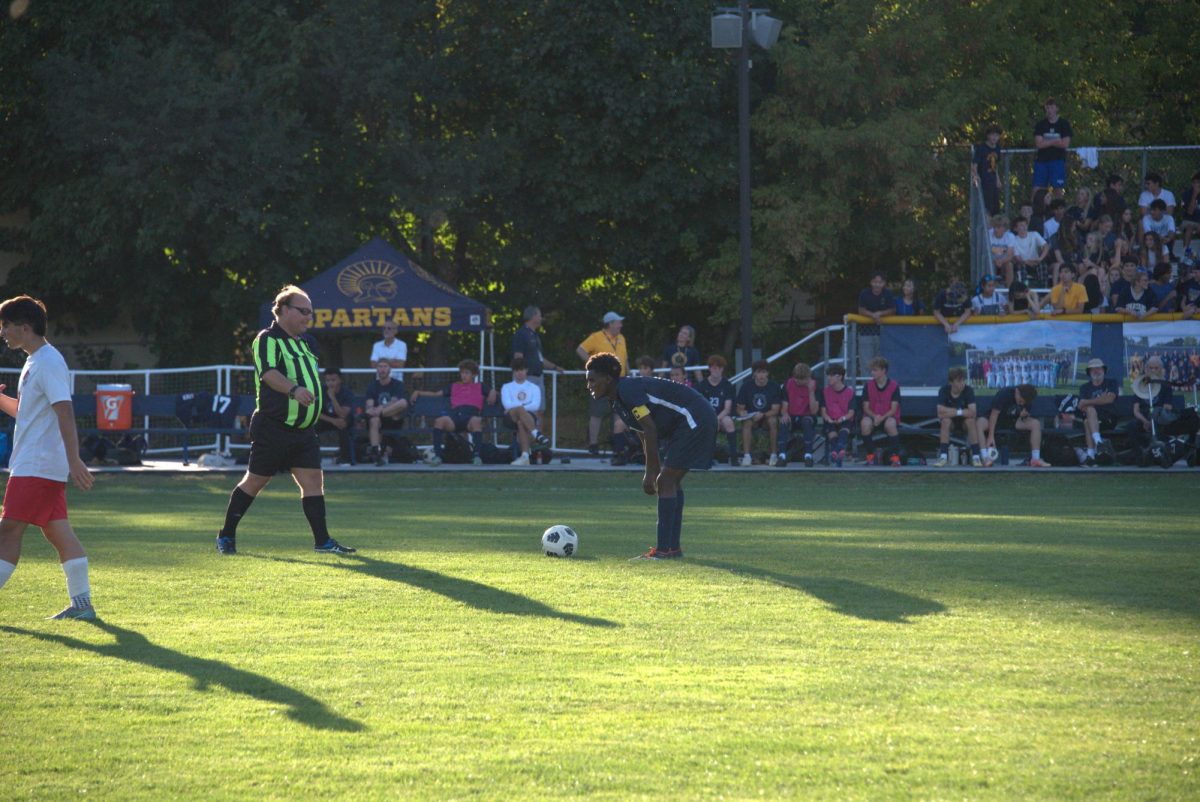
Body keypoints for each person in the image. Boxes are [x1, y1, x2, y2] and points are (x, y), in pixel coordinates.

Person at [216, 285, 356, 556]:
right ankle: (226, 535)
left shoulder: (307, 342)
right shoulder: (267, 339)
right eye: (303, 311)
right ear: (284, 310)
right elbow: (268, 373)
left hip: (303, 430)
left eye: (310, 313)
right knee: (255, 481)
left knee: (313, 481)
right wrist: (294, 390)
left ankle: (323, 541)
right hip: (273, 427)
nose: (308, 317)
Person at [0, 296, 97, 620]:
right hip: (38, 464)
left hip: (36, 465)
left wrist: (74, 459)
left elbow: (64, 410)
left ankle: (83, 606)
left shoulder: (48, 361)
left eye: (6, 326)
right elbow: (27, 413)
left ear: (25, 328)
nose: (3, 333)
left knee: (8, 530)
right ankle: (82, 606)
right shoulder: (35, 361)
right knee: (57, 531)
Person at [585, 352, 717, 560]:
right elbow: (643, 433)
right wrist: (651, 470)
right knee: (670, 482)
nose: (589, 385)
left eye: (593, 380)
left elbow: (650, 429)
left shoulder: (627, 389)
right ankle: (672, 550)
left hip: (694, 418)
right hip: (690, 420)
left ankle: (663, 551)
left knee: (665, 480)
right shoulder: (616, 400)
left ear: (608, 379)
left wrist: (651, 472)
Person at [410, 359, 497, 466]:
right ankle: (438, 456)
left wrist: (492, 392)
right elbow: (436, 394)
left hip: (470, 418)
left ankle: (477, 456)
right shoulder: (454, 386)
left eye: (467, 373)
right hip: (455, 417)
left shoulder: (480, 386)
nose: (463, 376)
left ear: (474, 374)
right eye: (462, 373)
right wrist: (418, 392)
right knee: (439, 421)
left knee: (476, 421)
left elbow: (493, 392)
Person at [576, 312, 630, 460]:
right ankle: (593, 445)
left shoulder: (621, 338)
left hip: (619, 380)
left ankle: (617, 444)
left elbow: (625, 358)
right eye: (618, 322)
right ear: (610, 324)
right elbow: (580, 350)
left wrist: (628, 373)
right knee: (597, 412)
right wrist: (594, 366)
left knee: (618, 412)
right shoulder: (596, 337)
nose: (621, 325)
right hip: (601, 381)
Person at [977, 383, 1051, 467]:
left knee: (1036, 424)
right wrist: (991, 436)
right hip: (996, 420)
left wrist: (1023, 415)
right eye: (1020, 401)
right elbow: (994, 414)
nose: (1022, 403)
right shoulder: (1004, 394)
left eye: (1024, 402)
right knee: (980, 423)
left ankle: (1035, 459)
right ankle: (985, 457)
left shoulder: (1027, 399)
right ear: (1017, 392)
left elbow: (1025, 414)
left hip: (1013, 421)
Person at [511, 306, 561, 412]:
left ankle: (538, 429)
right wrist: (521, 377)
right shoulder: (521, 334)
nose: (541, 318)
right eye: (539, 315)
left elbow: (540, 358)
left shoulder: (535, 336)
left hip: (539, 378)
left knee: (539, 410)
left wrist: (555, 367)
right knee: (526, 411)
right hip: (527, 378)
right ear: (533, 316)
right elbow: (518, 357)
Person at [735, 359, 784, 467]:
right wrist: (742, 412)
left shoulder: (774, 386)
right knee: (746, 422)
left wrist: (763, 415)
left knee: (773, 421)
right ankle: (747, 456)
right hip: (752, 418)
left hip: (767, 416)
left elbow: (776, 409)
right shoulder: (746, 386)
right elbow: (739, 408)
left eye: (763, 372)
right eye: (758, 372)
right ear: (754, 373)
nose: (761, 375)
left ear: (767, 373)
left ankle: (773, 455)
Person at [501, 357, 547, 466]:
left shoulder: (534, 388)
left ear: (526, 370)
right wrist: (524, 406)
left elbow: (535, 406)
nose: (519, 373)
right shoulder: (506, 387)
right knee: (520, 412)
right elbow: (507, 405)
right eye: (516, 370)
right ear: (513, 372)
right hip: (511, 417)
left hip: (528, 417)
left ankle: (525, 456)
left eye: (521, 370)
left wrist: (518, 407)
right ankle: (536, 433)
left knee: (521, 421)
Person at [362, 360, 409, 466]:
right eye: (380, 366)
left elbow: (395, 401)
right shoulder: (372, 386)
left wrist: (380, 409)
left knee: (403, 402)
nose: (382, 369)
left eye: (385, 366)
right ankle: (376, 453)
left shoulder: (397, 384)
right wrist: (371, 409)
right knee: (374, 420)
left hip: (393, 418)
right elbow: (369, 404)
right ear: (377, 369)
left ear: (389, 369)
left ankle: (381, 414)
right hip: (378, 419)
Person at [934, 367, 982, 467]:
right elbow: (940, 413)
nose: (962, 383)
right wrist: (961, 411)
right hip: (951, 423)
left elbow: (973, 413)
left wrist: (954, 412)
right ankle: (943, 457)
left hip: (964, 422)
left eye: (963, 380)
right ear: (951, 382)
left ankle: (976, 457)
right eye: (959, 381)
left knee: (971, 421)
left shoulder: (968, 390)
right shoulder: (943, 390)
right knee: (945, 421)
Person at [1076, 358, 1119, 467]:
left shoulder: (1111, 383)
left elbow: (1110, 399)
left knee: (1089, 413)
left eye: (1098, 368)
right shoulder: (1084, 387)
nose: (1096, 371)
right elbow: (1081, 406)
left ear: (1103, 370)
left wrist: (1088, 401)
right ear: (1089, 372)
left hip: (1108, 419)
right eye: (1093, 369)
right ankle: (1096, 447)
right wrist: (1100, 400)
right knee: (1088, 417)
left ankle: (1091, 455)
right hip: (1092, 420)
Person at [859, 356, 902, 466]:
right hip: (872, 415)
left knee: (891, 424)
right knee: (864, 423)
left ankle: (895, 458)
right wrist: (875, 417)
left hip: (888, 416)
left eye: (875, 370)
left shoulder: (894, 386)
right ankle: (870, 456)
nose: (872, 373)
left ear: (884, 371)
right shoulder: (868, 386)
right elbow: (866, 407)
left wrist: (881, 418)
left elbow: (893, 409)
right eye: (871, 370)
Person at [696, 354, 738, 466]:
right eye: (713, 367)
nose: (715, 370)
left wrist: (717, 419)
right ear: (709, 369)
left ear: (722, 369)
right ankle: (706, 457)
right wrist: (712, 419)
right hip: (707, 417)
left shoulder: (727, 385)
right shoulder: (702, 385)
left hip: (721, 416)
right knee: (706, 424)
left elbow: (727, 408)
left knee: (729, 422)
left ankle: (734, 457)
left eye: (718, 368)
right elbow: (701, 407)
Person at [779, 362, 820, 467]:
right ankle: (782, 456)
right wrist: (784, 414)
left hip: (807, 415)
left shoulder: (815, 386)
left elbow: (814, 411)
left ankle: (808, 456)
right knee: (783, 422)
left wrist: (810, 391)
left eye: (802, 379)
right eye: (797, 379)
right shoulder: (788, 384)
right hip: (792, 415)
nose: (799, 382)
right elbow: (784, 404)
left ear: (808, 377)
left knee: (807, 422)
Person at [856, 271, 894, 376]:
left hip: (884, 333)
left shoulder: (888, 294)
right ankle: (867, 385)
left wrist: (880, 313)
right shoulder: (864, 293)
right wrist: (873, 315)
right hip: (865, 332)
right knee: (866, 361)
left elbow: (892, 310)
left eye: (880, 282)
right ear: (871, 282)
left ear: (884, 283)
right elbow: (861, 310)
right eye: (875, 282)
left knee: (882, 361)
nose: (877, 284)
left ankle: (882, 383)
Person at [1032, 97, 1072, 197]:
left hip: (1057, 161)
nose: (1049, 110)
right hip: (1042, 161)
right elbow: (1039, 144)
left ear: (1056, 108)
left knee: (1058, 188)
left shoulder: (1064, 124)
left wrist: (1047, 142)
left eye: (1051, 107)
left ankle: (1059, 209)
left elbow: (1065, 144)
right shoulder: (1041, 125)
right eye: (1047, 107)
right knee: (1037, 189)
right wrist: (1055, 141)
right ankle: (1036, 210)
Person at [316, 367, 356, 466]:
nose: (330, 383)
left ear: (340, 380)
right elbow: (316, 412)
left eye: (333, 380)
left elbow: (343, 414)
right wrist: (332, 420)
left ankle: (345, 459)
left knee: (343, 425)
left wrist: (332, 397)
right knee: (311, 427)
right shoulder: (320, 391)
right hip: (328, 419)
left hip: (343, 419)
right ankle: (314, 459)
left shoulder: (347, 393)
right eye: (327, 380)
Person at [820, 364, 855, 467]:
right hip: (830, 420)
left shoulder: (849, 392)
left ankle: (835, 453)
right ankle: (838, 453)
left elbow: (851, 413)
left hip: (845, 420)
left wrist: (842, 418)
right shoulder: (825, 392)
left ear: (840, 377)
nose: (828, 378)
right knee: (832, 433)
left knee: (844, 429)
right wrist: (828, 418)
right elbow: (823, 411)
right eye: (828, 375)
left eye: (831, 375)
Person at [972, 124, 1003, 216]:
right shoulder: (981, 148)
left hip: (993, 180)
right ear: (988, 135)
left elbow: (995, 165)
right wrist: (976, 176)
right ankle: (986, 227)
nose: (995, 137)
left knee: (995, 207)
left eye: (997, 135)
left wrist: (998, 179)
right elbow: (974, 165)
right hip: (984, 181)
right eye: (993, 135)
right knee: (987, 207)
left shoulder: (997, 148)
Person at [1011, 216, 1050, 282]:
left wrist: (1040, 259)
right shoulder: (1013, 239)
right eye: (1021, 225)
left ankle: (1043, 288)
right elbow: (1017, 257)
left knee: (1043, 265)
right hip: (1022, 263)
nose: (1024, 227)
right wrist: (1027, 262)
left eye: (1025, 225)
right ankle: (1023, 288)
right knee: (1020, 267)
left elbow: (1046, 246)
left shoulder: (1034, 234)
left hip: (1036, 262)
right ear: (1015, 228)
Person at [987, 215, 1018, 286]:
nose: (995, 229)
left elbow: (1010, 255)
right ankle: (990, 287)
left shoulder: (1010, 236)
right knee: (989, 265)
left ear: (1005, 228)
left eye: (998, 227)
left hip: (1004, 261)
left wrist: (1001, 261)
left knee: (1009, 265)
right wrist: (995, 261)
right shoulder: (988, 234)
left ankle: (1009, 289)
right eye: (994, 227)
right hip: (992, 261)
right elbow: (986, 253)